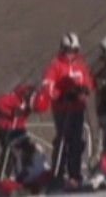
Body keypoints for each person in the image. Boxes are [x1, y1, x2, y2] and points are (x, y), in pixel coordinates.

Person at [40, 32, 94, 190]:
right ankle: (57, 174)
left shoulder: (80, 65)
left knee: (77, 141)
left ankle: (74, 175)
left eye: (74, 50)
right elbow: (47, 86)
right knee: (63, 140)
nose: (71, 54)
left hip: (78, 108)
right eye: (68, 50)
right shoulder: (55, 65)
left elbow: (88, 82)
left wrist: (85, 90)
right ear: (62, 49)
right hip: (62, 109)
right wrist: (61, 95)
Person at [0, 83, 49, 179]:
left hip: (18, 126)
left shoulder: (29, 101)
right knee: (9, 151)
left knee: (27, 148)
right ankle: (3, 177)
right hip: (5, 126)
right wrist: (11, 112)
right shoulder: (15, 99)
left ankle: (28, 173)